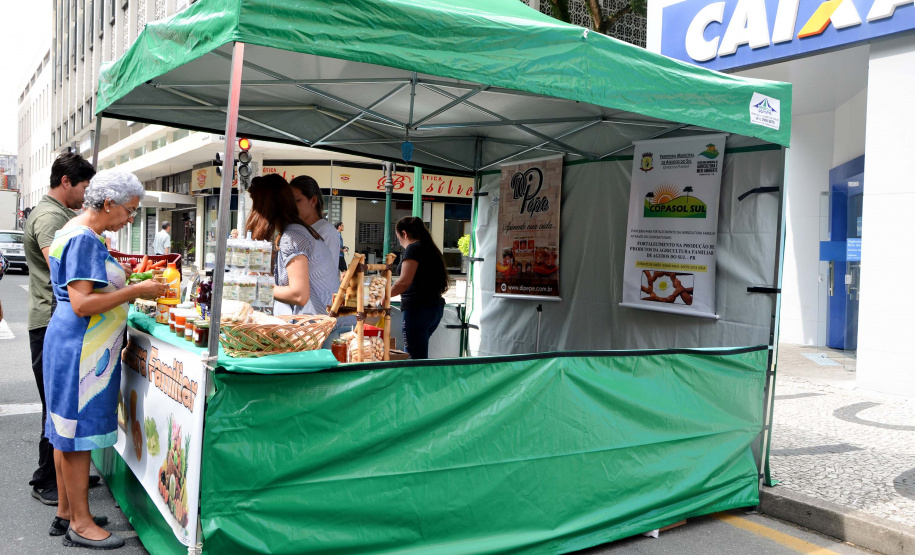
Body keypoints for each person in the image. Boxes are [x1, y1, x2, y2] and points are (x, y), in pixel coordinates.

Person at [44, 169, 167, 549]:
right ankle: (81, 524)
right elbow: (81, 303)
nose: (131, 218)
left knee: (66, 432)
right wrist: (136, 290)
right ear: (108, 203)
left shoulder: (74, 231)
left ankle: (68, 511)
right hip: (83, 348)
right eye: (129, 210)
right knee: (78, 436)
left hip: (71, 343)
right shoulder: (84, 238)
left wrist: (121, 280)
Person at [23, 153, 96, 506]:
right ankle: (46, 480)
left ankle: (68, 480)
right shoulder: (51, 216)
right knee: (56, 409)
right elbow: (63, 269)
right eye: (83, 187)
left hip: (52, 319)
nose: (85, 196)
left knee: (60, 408)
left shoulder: (58, 214)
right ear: (66, 182)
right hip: (50, 320)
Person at [245, 174, 338, 316]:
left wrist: (257, 286)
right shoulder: (296, 231)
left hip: (322, 328)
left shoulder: (293, 236)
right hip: (320, 323)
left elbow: (298, 295)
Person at [390, 217, 448, 360]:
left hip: (417, 310)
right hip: (434, 309)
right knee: (419, 354)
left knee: (414, 358)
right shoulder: (431, 248)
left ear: (404, 234)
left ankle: (414, 383)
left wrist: (382, 296)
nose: (400, 242)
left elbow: (403, 282)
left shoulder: (413, 248)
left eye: (399, 237)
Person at [289, 175, 341, 278]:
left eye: (297, 200)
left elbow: (327, 275)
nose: (292, 206)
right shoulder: (296, 229)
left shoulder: (326, 232)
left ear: (313, 201)